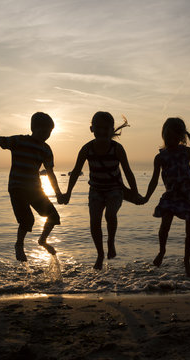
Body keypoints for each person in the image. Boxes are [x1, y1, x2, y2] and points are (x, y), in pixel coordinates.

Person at [0, 112, 64, 262]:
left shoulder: (46, 149)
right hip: (17, 188)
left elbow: (50, 173)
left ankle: (42, 240)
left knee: (54, 217)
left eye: (49, 132)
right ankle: (19, 244)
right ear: (33, 128)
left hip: (35, 190)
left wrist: (58, 193)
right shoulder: (19, 141)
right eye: (43, 131)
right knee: (27, 220)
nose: (46, 135)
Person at [63, 112, 141, 270]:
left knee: (110, 214)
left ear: (112, 130)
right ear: (92, 129)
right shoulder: (87, 149)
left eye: (106, 128)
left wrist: (135, 192)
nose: (102, 131)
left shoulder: (117, 149)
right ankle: (100, 253)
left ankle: (111, 242)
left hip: (115, 190)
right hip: (96, 191)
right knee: (94, 222)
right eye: (98, 128)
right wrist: (68, 193)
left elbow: (128, 172)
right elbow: (76, 171)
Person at [143, 117, 190, 277]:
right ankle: (162, 251)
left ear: (181, 138)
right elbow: (154, 180)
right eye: (168, 137)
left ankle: (187, 260)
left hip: (188, 195)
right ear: (163, 135)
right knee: (164, 225)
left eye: (175, 138)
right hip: (171, 196)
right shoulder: (160, 157)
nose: (171, 141)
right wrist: (147, 196)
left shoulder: (186, 152)